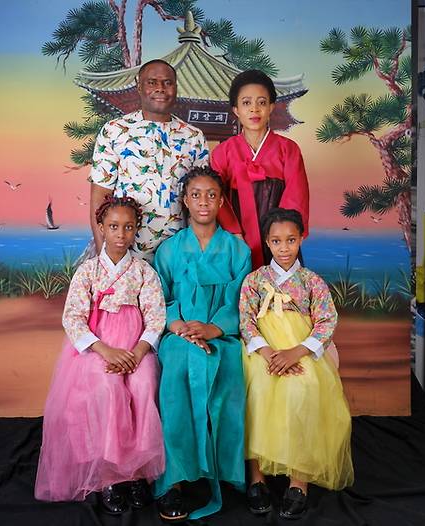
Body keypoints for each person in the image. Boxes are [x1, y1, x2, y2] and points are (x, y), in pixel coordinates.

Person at [35, 196, 166, 516]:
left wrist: (138, 352)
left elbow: (156, 317)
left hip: (134, 348)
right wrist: (105, 350)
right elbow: (73, 318)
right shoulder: (88, 271)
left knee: (144, 385)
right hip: (100, 348)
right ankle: (109, 474)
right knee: (107, 390)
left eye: (128, 227)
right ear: (102, 228)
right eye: (113, 227)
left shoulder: (144, 271)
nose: (121, 234)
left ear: (136, 230)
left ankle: (136, 471)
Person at [238, 208, 353, 520]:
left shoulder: (311, 281)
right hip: (263, 350)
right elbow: (246, 321)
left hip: (299, 350)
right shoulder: (254, 280)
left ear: (301, 238)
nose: (284, 248)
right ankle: (257, 477)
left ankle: (299, 480)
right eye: (276, 241)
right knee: (257, 389)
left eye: (291, 240)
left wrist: (295, 353)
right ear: (267, 242)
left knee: (303, 389)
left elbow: (327, 321)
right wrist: (268, 353)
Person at [152, 166, 251, 522]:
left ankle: (224, 471)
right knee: (177, 372)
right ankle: (174, 481)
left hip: (221, 337)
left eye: (211, 195)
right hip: (179, 337)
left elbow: (241, 301)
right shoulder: (168, 250)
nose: (204, 201)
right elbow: (160, 297)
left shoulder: (238, 250)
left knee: (230, 373)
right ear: (185, 200)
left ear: (222, 201)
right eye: (195, 195)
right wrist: (179, 326)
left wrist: (212, 329)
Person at [89, 59, 209, 262]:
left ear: (176, 87)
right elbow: (100, 197)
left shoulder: (193, 137)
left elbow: (201, 199)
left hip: (178, 254)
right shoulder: (114, 131)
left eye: (167, 82)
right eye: (152, 82)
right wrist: (107, 260)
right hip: (127, 252)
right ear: (139, 86)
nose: (160, 88)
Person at [211, 69, 310, 269]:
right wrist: (234, 233)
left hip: (279, 240)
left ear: (271, 107)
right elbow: (216, 196)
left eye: (262, 102)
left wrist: (281, 237)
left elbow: (296, 195)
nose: (254, 109)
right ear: (236, 109)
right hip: (237, 239)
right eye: (246, 103)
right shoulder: (222, 152)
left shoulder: (288, 149)